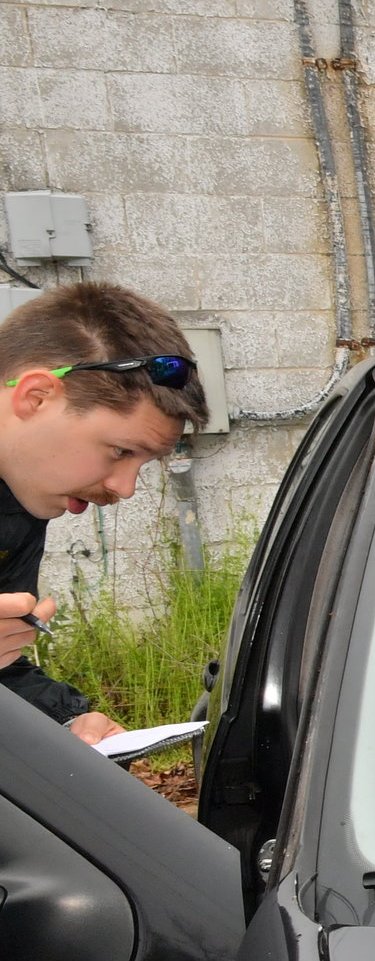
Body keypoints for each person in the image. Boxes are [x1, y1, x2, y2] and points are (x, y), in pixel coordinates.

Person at [0, 284, 209, 744]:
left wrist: (63, 722)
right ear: (35, 397)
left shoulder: (20, 497)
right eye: (119, 450)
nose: (125, 488)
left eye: (143, 464)